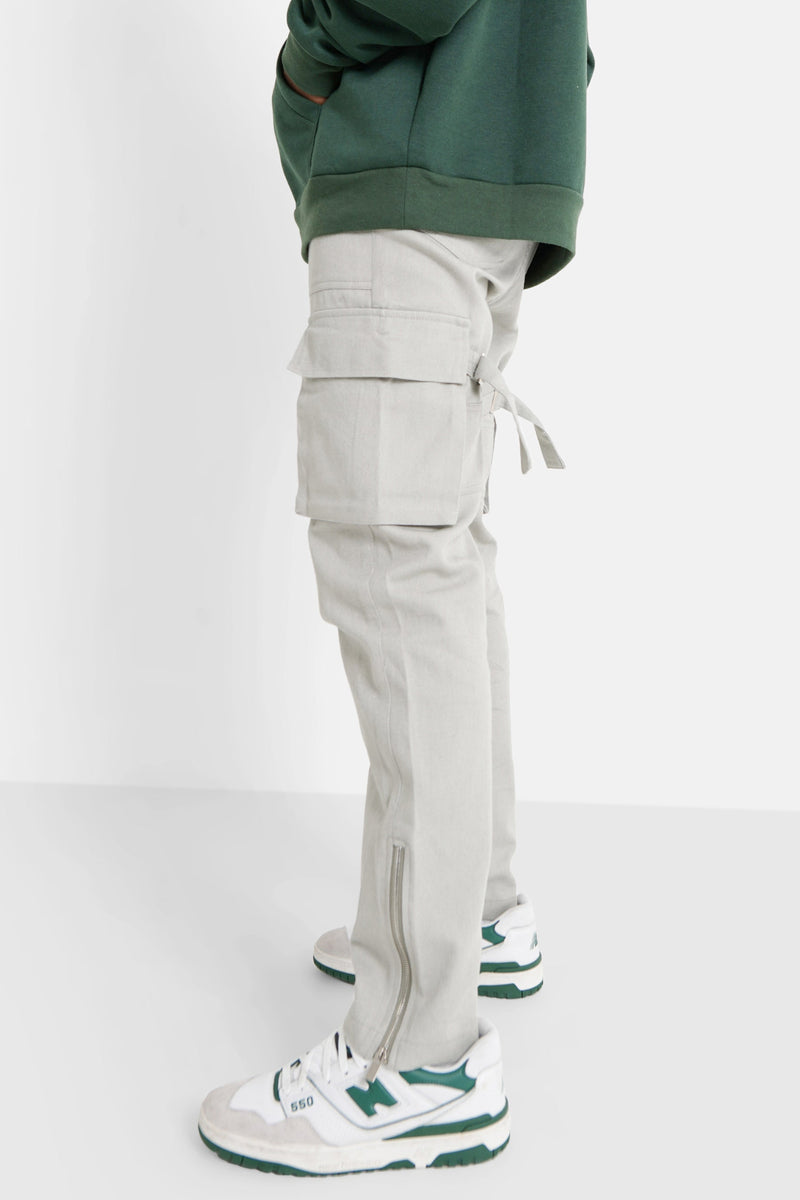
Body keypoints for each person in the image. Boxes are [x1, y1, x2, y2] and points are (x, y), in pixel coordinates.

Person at [198, 0, 594, 1176]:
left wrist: (304, 58)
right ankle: (477, 915)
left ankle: (417, 1060)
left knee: (404, 580)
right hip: (477, 184)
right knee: (440, 567)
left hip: (416, 190)